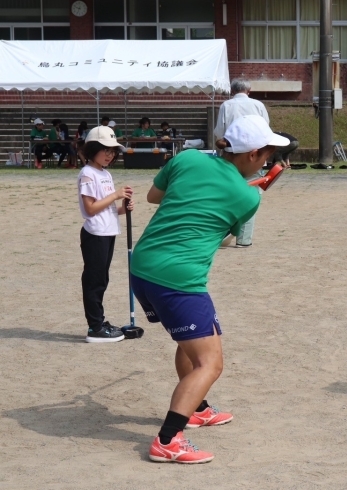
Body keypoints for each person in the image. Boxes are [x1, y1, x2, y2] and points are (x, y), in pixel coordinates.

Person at [129, 115, 289, 463]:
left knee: (195, 339)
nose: (267, 162)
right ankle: (168, 440)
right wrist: (251, 191)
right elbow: (228, 236)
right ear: (251, 154)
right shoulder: (248, 199)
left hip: (142, 266)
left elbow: (154, 196)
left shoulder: (187, 159)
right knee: (210, 364)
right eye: (266, 155)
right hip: (178, 279)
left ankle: (196, 408)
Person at [77, 126, 134, 343]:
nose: (110, 155)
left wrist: (123, 207)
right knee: (94, 281)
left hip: (108, 231)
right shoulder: (87, 174)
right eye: (105, 150)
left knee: (102, 278)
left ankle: (99, 321)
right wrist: (116, 195)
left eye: (113, 151)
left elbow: (106, 208)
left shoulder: (105, 173)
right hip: (95, 234)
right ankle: (95, 328)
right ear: (92, 150)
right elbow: (90, 209)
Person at [215, 79, 272, 249]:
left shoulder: (226, 105)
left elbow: (219, 131)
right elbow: (266, 129)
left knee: (227, 194)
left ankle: (225, 233)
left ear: (232, 90)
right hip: (254, 154)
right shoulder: (258, 105)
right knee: (251, 194)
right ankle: (244, 238)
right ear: (249, 90)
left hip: (231, 154)